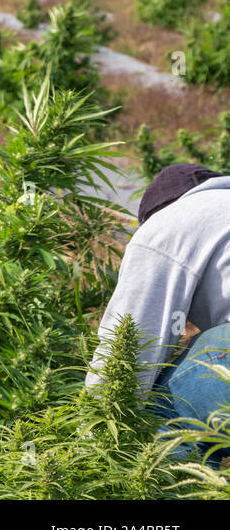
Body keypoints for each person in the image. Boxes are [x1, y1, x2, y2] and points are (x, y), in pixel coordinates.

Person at [86, 163, 230, 459]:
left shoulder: (166, 225)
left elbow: (129, 340)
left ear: (155, 213)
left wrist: (94, 432)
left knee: (161, 418)